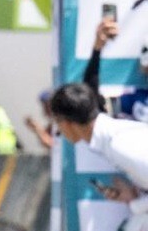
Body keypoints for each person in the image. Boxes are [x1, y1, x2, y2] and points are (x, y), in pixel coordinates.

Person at [50, 81, 148, 214]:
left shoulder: (118, 144)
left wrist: (135, 205)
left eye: (56, 123)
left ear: (66, 123)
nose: (58, 131)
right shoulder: (114, 138)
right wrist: (135, 195)